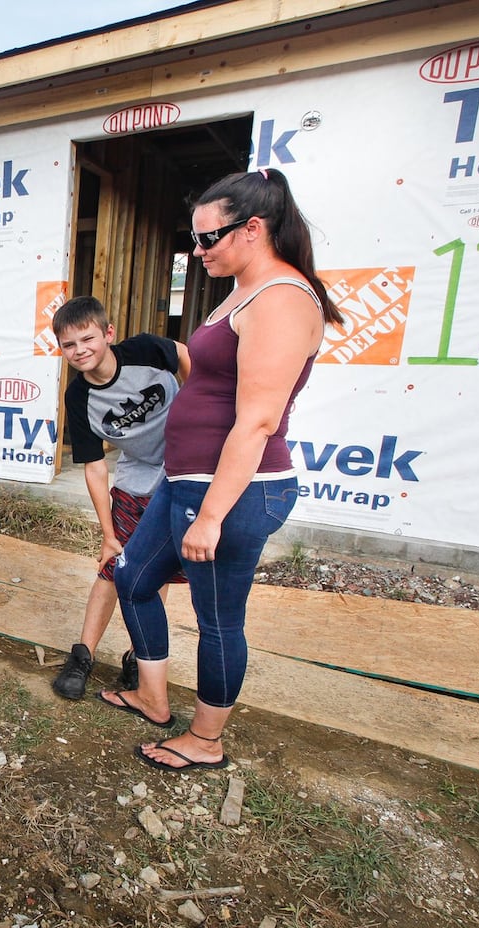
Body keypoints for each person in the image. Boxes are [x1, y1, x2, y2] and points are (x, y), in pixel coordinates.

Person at [108, 167, 341, 772]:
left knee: (216, 620)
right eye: (196, 237)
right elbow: (212, 378)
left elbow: (259, 421)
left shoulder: (284, 299)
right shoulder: (242, 289)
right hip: (187, 480)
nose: (198, 249)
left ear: (253, 228)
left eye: (208, 237)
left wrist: (211, 516)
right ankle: (153, 697)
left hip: (230, 492)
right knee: (131, 576)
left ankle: (206, 741)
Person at [48, 296, 190, 707]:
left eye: (88, 339)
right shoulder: (79, 398)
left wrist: (203, 408)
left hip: (186, 470)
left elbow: (184, 356)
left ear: (108, 334)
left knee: (156, 572)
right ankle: (83, 655)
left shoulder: (145, 350)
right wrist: (108, 534)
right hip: (139, 478)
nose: (80, 351)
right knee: (114, 568)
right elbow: (94, 467)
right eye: (69, 345)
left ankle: (137, 658)